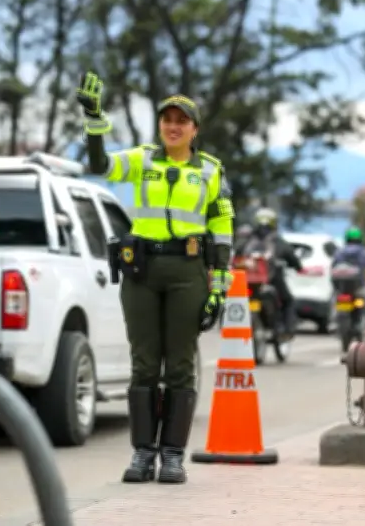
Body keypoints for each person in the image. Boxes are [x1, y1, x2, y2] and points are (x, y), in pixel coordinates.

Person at [76, 72, 235, 485]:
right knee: (144, 364)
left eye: (182, 120)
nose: (173, 125)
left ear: (194, 129)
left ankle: (173, 456)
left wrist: (219, 287)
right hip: (143, 273)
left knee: (180, 365)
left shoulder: (211, 171)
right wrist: (95, 121)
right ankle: (143, 453)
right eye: (167, 119)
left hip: (188, 272)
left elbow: (221, 230)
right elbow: (99, 166)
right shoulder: (142, 159)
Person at [240, 207, 303, 338]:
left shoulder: (247, 240)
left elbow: (235, 253)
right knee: (288, 301)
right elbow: (292, 259)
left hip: (246, 281)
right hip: (272, 280)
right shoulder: (277, 240)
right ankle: (286, 330)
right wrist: (298, 267)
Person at [332, 226, 365, 317]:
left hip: (341, 288)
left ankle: (334, 314)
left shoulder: (339, 252)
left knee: (335, 297)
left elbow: (333, 266)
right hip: (359, 288)